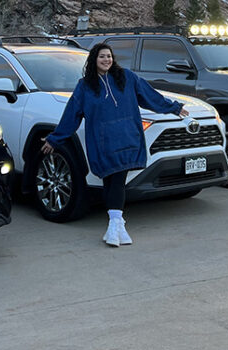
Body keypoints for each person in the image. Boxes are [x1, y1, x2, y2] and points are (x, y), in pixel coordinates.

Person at [41, 41, 188, 247]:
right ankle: (117, 226)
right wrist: (55, 139)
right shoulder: (85, 86)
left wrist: (173, 107)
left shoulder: (126, 77)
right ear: (94, 59)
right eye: (102, 56)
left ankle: (114, 224)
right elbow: (72, 115)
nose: (106, 59)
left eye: (109, 56)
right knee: (109, 181)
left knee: (117, 180)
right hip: (102, 141)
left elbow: (149, 95)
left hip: (127, 137)